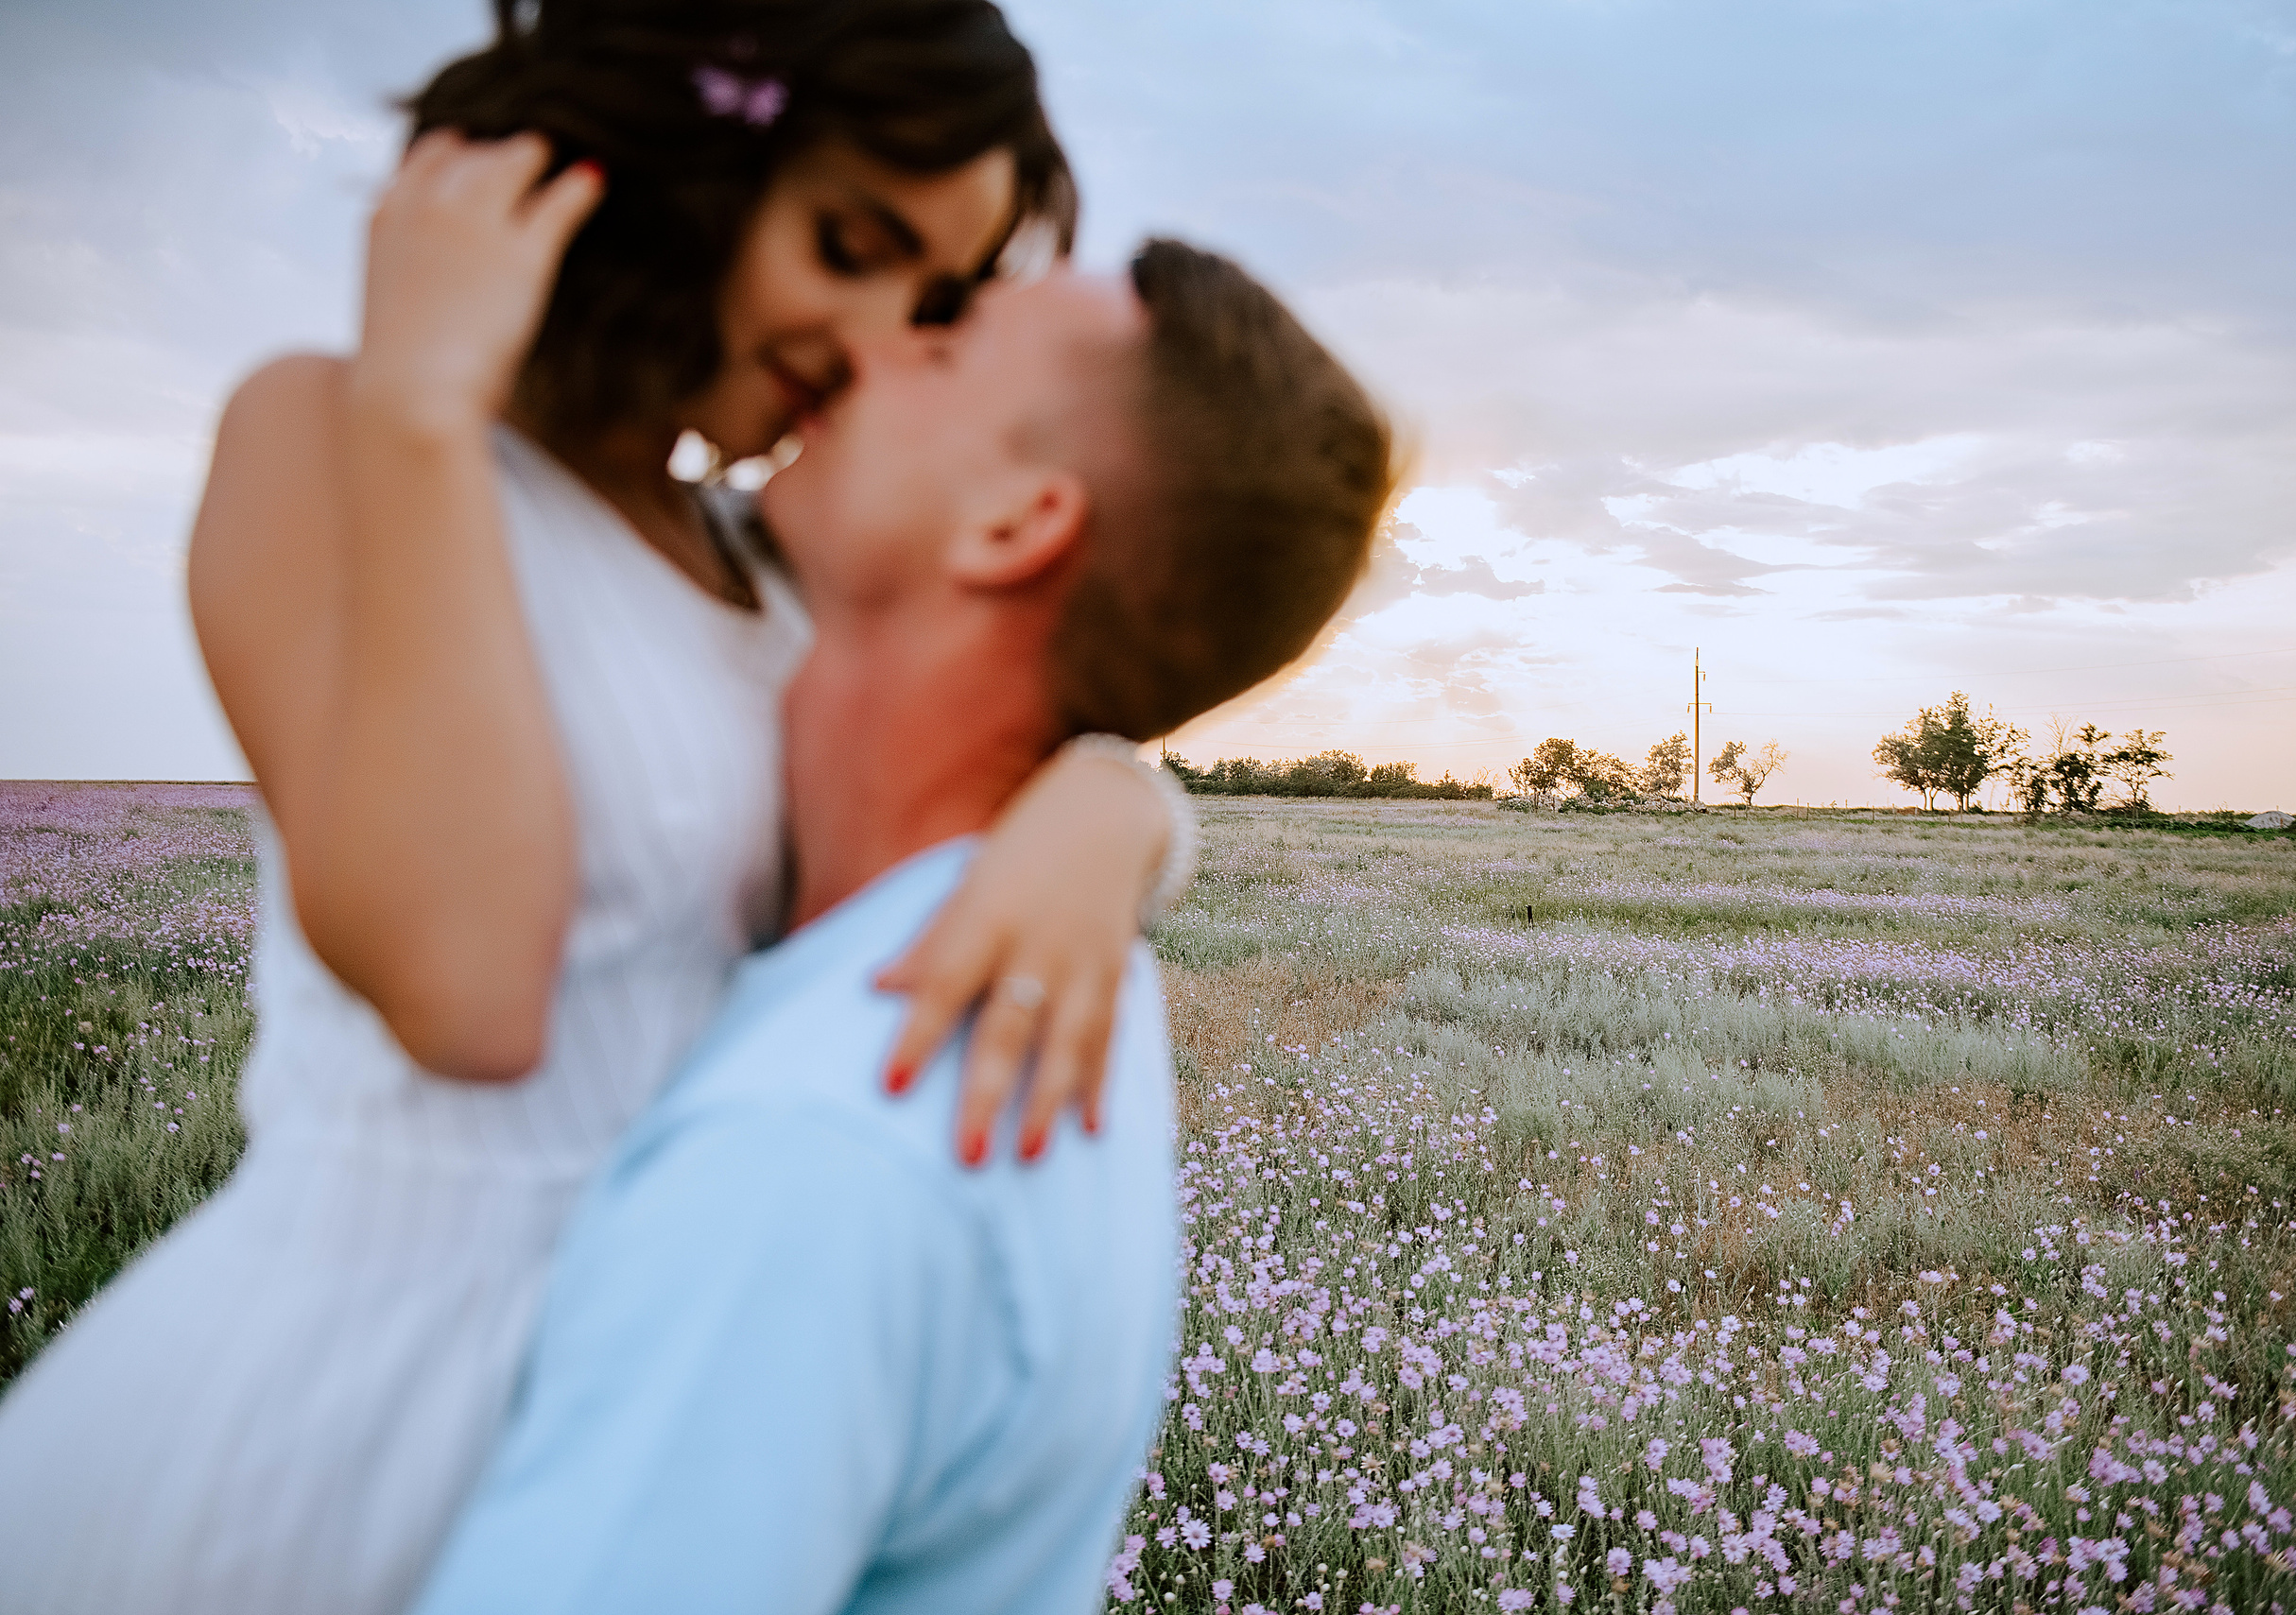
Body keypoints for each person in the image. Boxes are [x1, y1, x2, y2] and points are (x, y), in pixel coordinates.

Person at [0, 5, 1186, 1611]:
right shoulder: (320, 433)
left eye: (929, 301)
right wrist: (424, 407)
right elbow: (473, 987)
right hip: (325, 1431)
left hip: (664, 1414)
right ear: (684, 164)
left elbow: (947, 747)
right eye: (847, 242)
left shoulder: (761, 557)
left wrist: (1116, 805)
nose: (870, 338)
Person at [413, 237, 1394, 1614]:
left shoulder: (821, 1151)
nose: (858, 342)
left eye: (941, 340)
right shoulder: (1051, 975)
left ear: (1013, 525)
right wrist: (1123, 792)